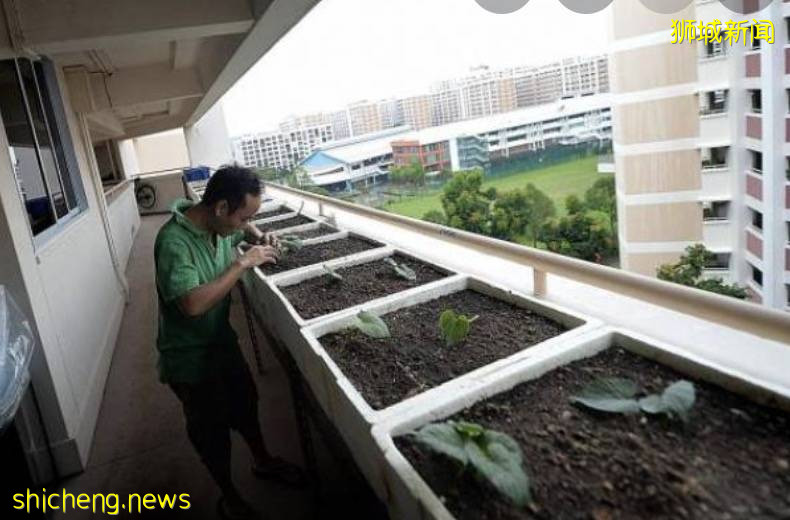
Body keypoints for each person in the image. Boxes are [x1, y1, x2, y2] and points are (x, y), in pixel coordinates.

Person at [154, 164, 303, 520]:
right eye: (244, 217)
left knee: (246, 403)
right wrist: (242, 264)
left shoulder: (217, 223)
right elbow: (192, 304)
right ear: (221, 208)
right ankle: (230, 498)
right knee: (212, 433)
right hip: (190, 358)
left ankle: (263, 461)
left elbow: (240, 232)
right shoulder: (174, 243)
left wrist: (259, 234)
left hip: (221, 342)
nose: (245, 224)